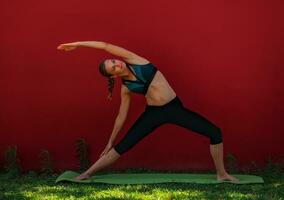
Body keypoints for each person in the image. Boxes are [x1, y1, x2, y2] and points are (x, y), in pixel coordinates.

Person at [57, 41, 239, 183]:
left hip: (174, 109)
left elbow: (105, 46)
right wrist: (110, 141)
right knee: (121, 147)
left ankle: (221, 173)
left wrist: (79, 44)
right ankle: (87, 173)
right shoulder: (126, 88)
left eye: (113, 61)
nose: (116, 64)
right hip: (153, 114)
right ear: (113, 76)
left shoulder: (134, 60)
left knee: (215, 132)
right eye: (113, 68)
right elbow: (121, 116)